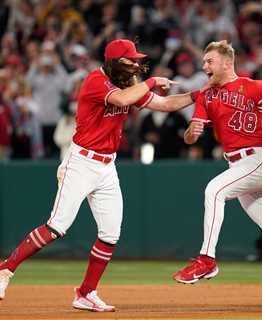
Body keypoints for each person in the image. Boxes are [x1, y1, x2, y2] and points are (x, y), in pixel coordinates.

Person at [0, 39, 197, 312]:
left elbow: (164, 105)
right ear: (116, 62)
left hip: (107, 166)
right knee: (57, 225)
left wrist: (198, 95)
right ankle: (5, 269)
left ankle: (85, 292)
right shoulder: (96, 81)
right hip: (81, 162)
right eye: (130, 61)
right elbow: (123, 99)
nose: (135, 65)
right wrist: (151, 82)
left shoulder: (127, 84)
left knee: (110, 233)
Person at [172, 40, 262, 285]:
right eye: (203, 62)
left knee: (214, 191)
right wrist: (191, 132)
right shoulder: (207, 94)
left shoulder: (257, 87)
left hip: (260, 159)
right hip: (237, 166)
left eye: (209, 61)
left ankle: (207, 260)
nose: (204, 67)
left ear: (227, 62)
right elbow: (191, 137)